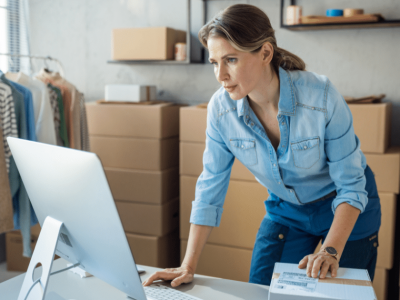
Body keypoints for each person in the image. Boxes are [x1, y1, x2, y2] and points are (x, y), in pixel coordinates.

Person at [143, 4, 381, 287]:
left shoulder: (321, 97)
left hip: (346, 208)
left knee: (335, 292)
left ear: (265, 53)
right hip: (287, 210)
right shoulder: (221, 110)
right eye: (214, 62)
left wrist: (330, 251)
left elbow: (352, 186)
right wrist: (188, 265)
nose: (220, 75)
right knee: (259, 290)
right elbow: (210, 186)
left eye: (230, 60)